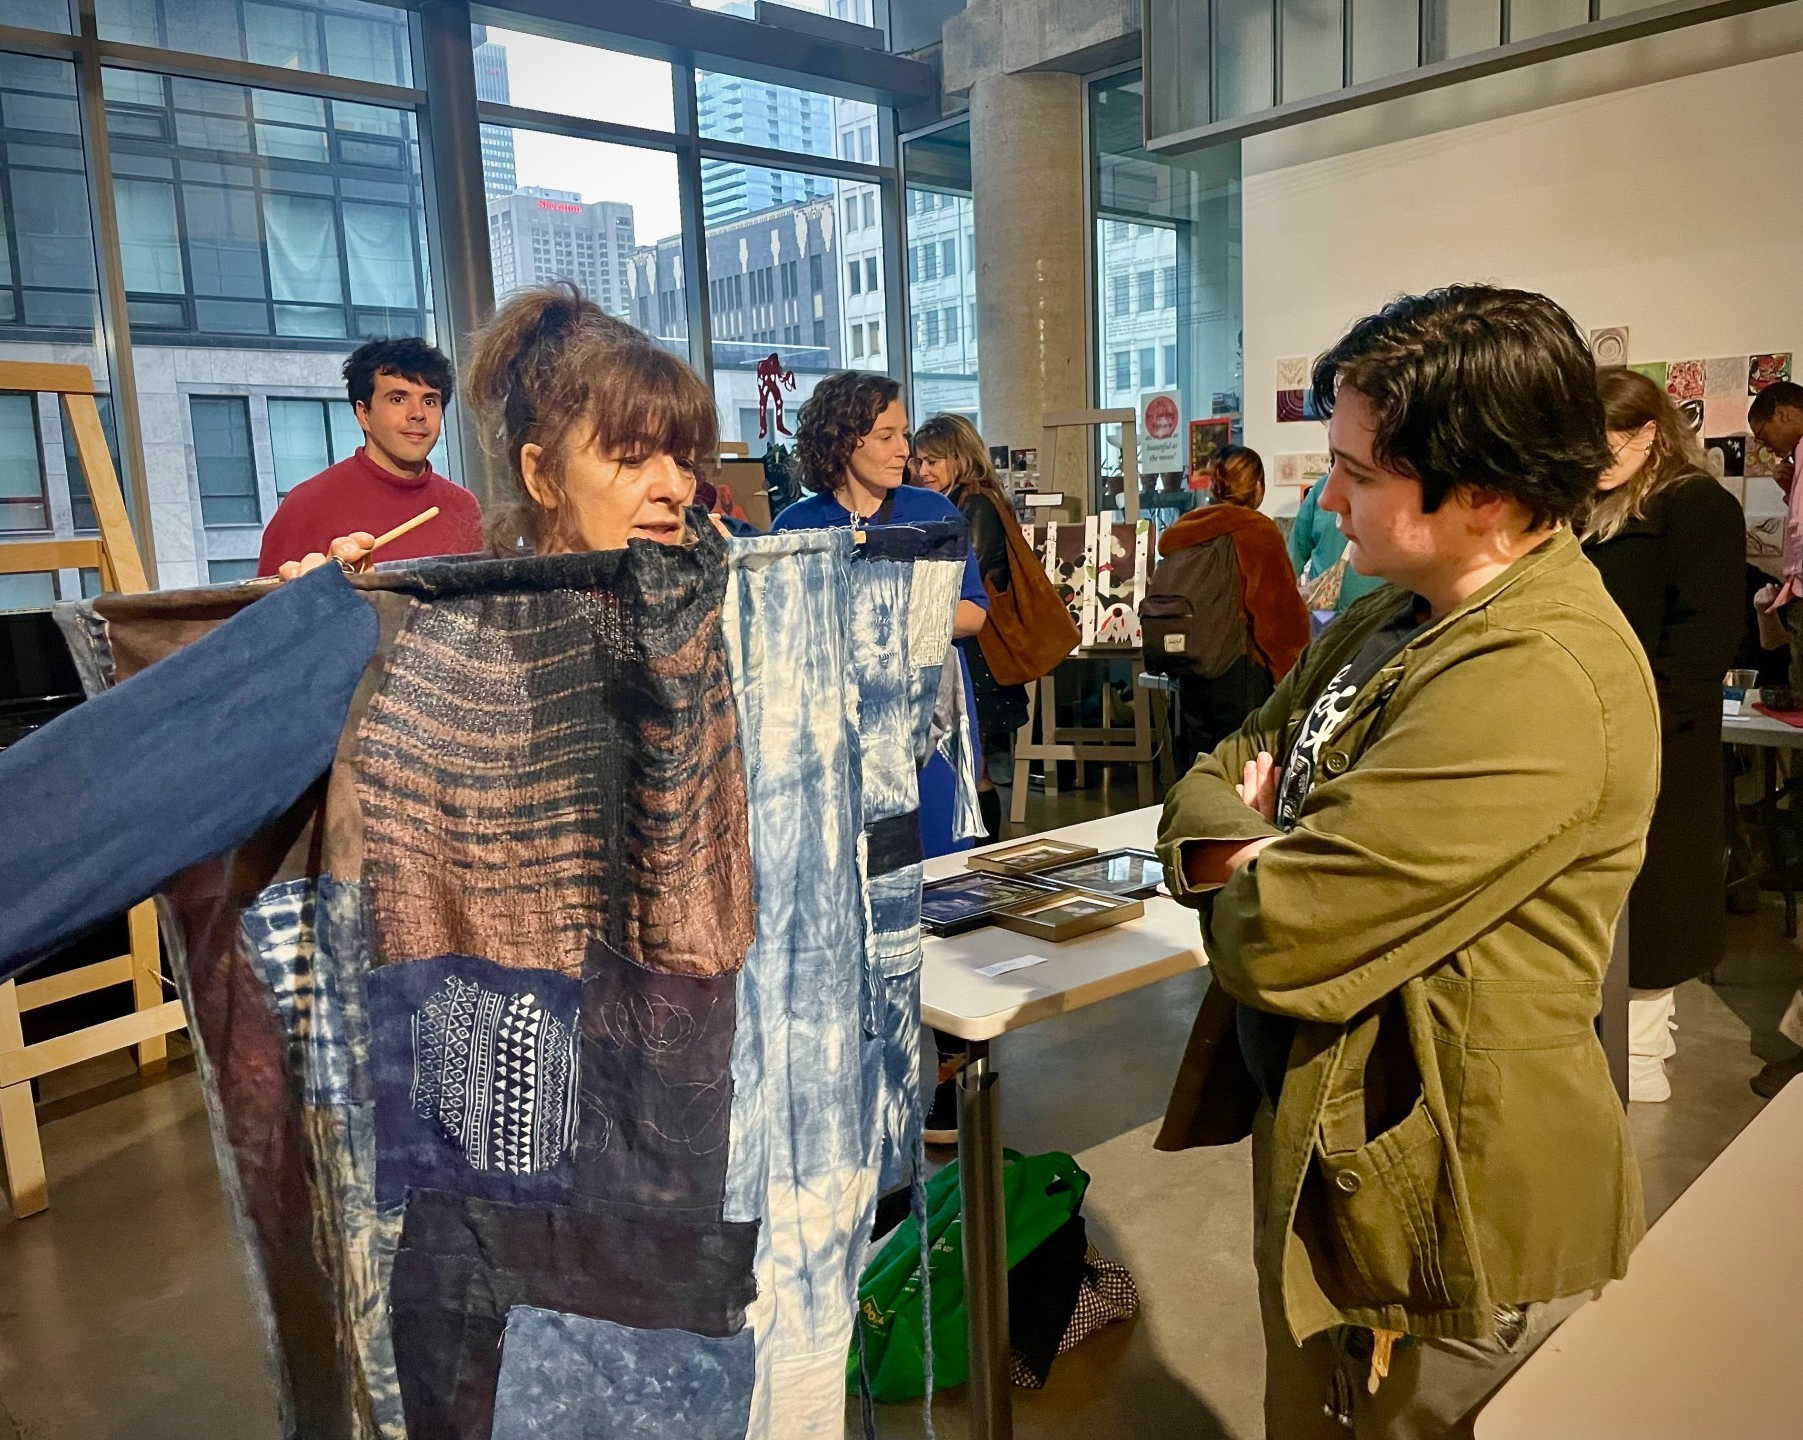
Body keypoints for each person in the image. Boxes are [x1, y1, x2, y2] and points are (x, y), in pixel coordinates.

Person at [1155, 286, 1657, 1439]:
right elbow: (1214, 766)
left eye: (1358, 475)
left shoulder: (1535, 677)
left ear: (1483, 491)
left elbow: (1277, 937)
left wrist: (1252, 859)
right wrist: (1256, 844)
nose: (1327, 500)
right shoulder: (1389, 616)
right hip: (1342, 1134)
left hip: (1437, 1188)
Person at [773, 374, 987, 1151]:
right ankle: (874, 1076)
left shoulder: (933, 513)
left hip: (927, 734)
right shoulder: (798, 522)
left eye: (905, 435)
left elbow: (973, 610)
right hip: (839, 740)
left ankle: (953, 1081)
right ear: (843, 440)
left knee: (944, 893)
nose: (907, 450)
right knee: (861, 895)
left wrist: (890, 624)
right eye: (890, 436)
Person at [279, 284, 711, 580]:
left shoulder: (461, 504)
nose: (676, 489)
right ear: (541, 475)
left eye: (685, 462)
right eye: (631, 458)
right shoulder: (308, 505)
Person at [1581, 368, 1743, 1103]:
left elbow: (1704, 636)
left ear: (1650, 432)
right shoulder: (1583, 508)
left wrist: (1645, 723)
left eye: (1610, 436)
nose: (1596, 452)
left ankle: (1643, 1054)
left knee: (1657, 899)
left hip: (1660, 738)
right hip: (1587, 734)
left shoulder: (1694, 505)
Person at [257, 337, 483, 576]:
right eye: (398, 399)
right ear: (364, 414)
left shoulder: (463, 506)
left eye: (429, 401)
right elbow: (264, 610)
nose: (417, 414)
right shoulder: (306, 507)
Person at [1152, 446, 1311, 770]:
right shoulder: (1257, 531)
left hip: (1192, 668)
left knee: (1199, 764)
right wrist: (1296, 677)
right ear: (1258, 487)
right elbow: (1277, 617)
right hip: (1240, 673)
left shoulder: (1185, 531)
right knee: (1240, 770)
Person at [911, 412, 1028, 844]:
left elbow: (963, 581)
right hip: (978, 657)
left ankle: (984, 852)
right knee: (974, 765)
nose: (923, 471)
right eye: (919, 461)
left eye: (934, 461)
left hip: (981, 659)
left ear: (959, 458)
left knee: (976, 767)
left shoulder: (971, 505)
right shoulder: (965, 502)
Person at [1287, 469, 1387, 617]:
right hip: (1325, 612)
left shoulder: (1389, 491)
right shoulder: (1323, 489)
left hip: (1376, 612)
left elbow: (1294, 555)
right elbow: (1294, 556)